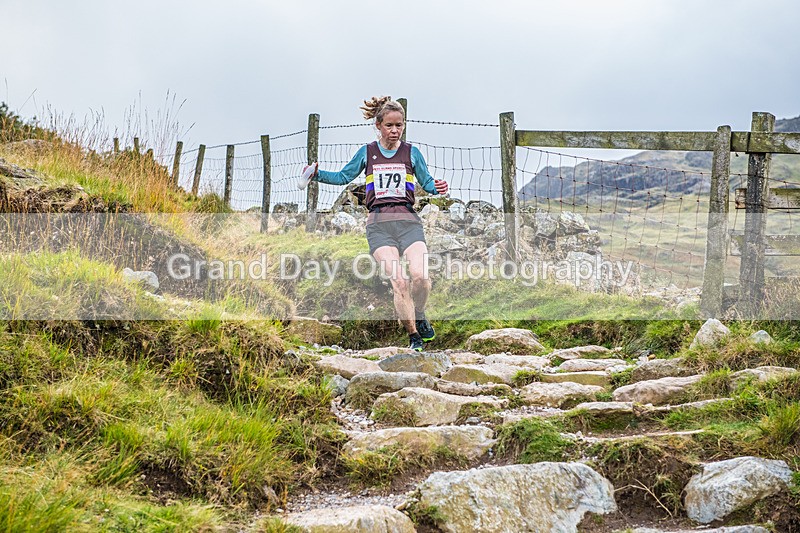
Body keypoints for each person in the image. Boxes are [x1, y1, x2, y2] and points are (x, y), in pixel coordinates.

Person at [302, 96, 449, 351]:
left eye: (399, 125)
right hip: (379, 226)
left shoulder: (412, 153)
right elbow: (343, 177)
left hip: (408, 223)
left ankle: (420, 312)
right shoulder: (367, 152)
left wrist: (437, 187)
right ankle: (414, 337)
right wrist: (316, 174)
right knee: (399, 281)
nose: (394, 131)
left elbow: (426, 183)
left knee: (421, 278)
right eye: (389, 125)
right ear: (378, 125)